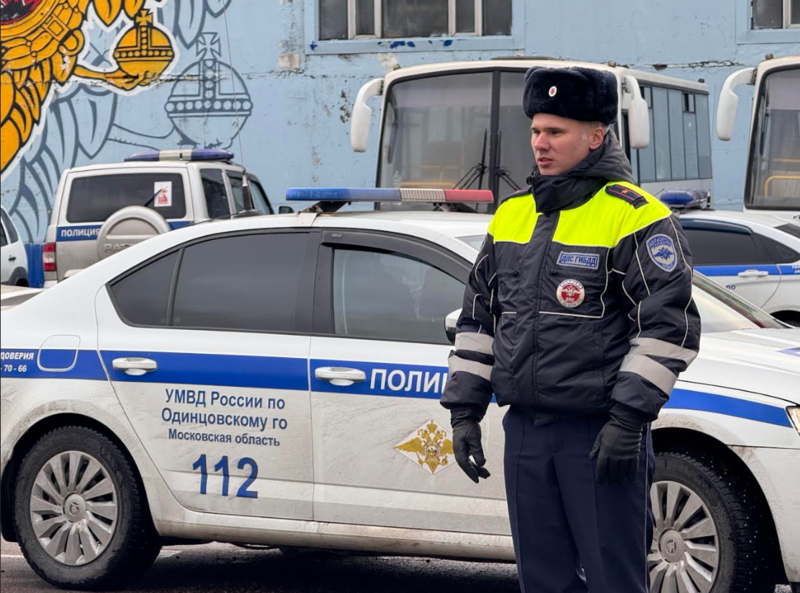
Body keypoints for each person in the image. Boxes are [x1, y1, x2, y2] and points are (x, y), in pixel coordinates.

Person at [440, 66, 701, 593]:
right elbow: (478, 320)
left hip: (600, 434)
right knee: (542, 582)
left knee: (612, 581)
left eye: (555, 132)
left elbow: (667, 328)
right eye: (536, 130)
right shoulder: (512, 215)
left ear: (596, 136)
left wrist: (627, 422)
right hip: (526, 433)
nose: (540, 143)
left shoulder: (635, 216)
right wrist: (465, 411)